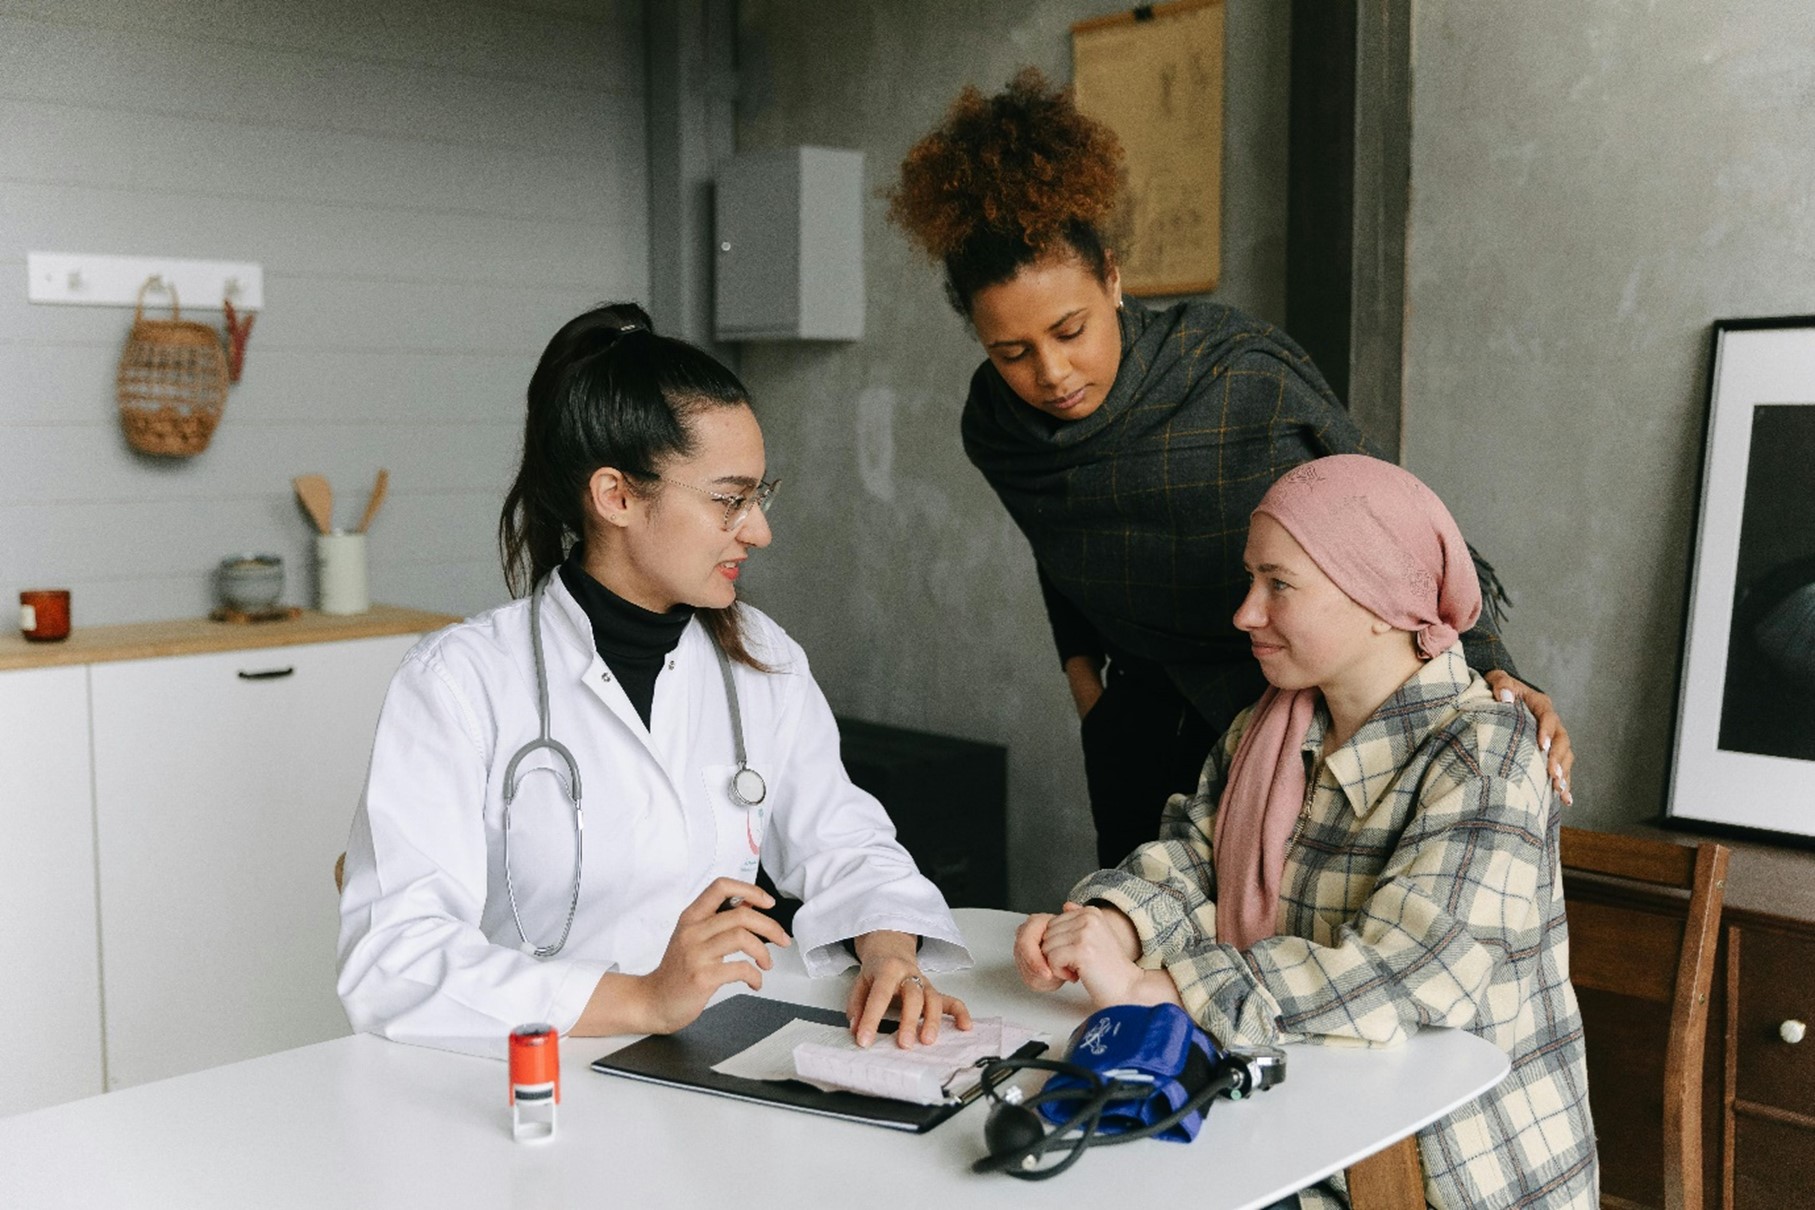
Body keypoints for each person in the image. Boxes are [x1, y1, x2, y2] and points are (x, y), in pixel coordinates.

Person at [887, 70, 1575, 868]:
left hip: (1294, 704)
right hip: (1138, 722)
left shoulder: (1233, 370)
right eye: (1011, 351)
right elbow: (1063, 556)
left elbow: (1399, 529)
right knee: (1137, 928)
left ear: (1112, 277)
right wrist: (1089, 690)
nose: (1051, 372)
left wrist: (1494, 670)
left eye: (1070, 329)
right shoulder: (996, 426)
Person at [337, 303, 971, 1052]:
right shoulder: (459, 682)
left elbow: (846, 843)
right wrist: (643, 1000)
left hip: (718, 1060)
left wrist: (891, 953)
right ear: (616, 497)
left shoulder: (760, 659)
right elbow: (393, 961)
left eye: (759, 496)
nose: (758, 530)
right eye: (728, 499)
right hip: (531, 1076)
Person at [1014, 455, 1597, 1209]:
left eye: (1277, 585)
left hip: (1436, 1169)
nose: (1244, 612)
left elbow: (1415, 971)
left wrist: (1159, 989)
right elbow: (1194, 860)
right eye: (1250, 579)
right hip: (1294, 1117)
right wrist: (1104, 925)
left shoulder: (1486, 753)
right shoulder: (1267, 725)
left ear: (1380, 602)